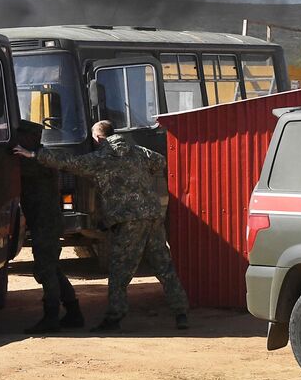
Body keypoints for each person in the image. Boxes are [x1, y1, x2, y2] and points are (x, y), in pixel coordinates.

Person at [31, 120, 189, 332]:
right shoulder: (138, 151)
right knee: (163, 265)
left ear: (98, 138)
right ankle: (181, 314)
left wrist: (33, 154)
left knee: (119, 272)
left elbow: (68, 163)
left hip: (128, 219)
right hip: (152, 215)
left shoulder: (101, 158)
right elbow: (160, 161)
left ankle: (114, 318)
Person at [11, 120, 83, 334]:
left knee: (46, 269)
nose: (18, 141)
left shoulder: (38, 160)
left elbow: (18, 168)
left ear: (31, 138)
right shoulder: (36, 156)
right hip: (45, 221)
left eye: (22, 137)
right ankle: (73, 312)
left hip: (46, 223)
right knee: (52, 268)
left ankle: (51, 316)